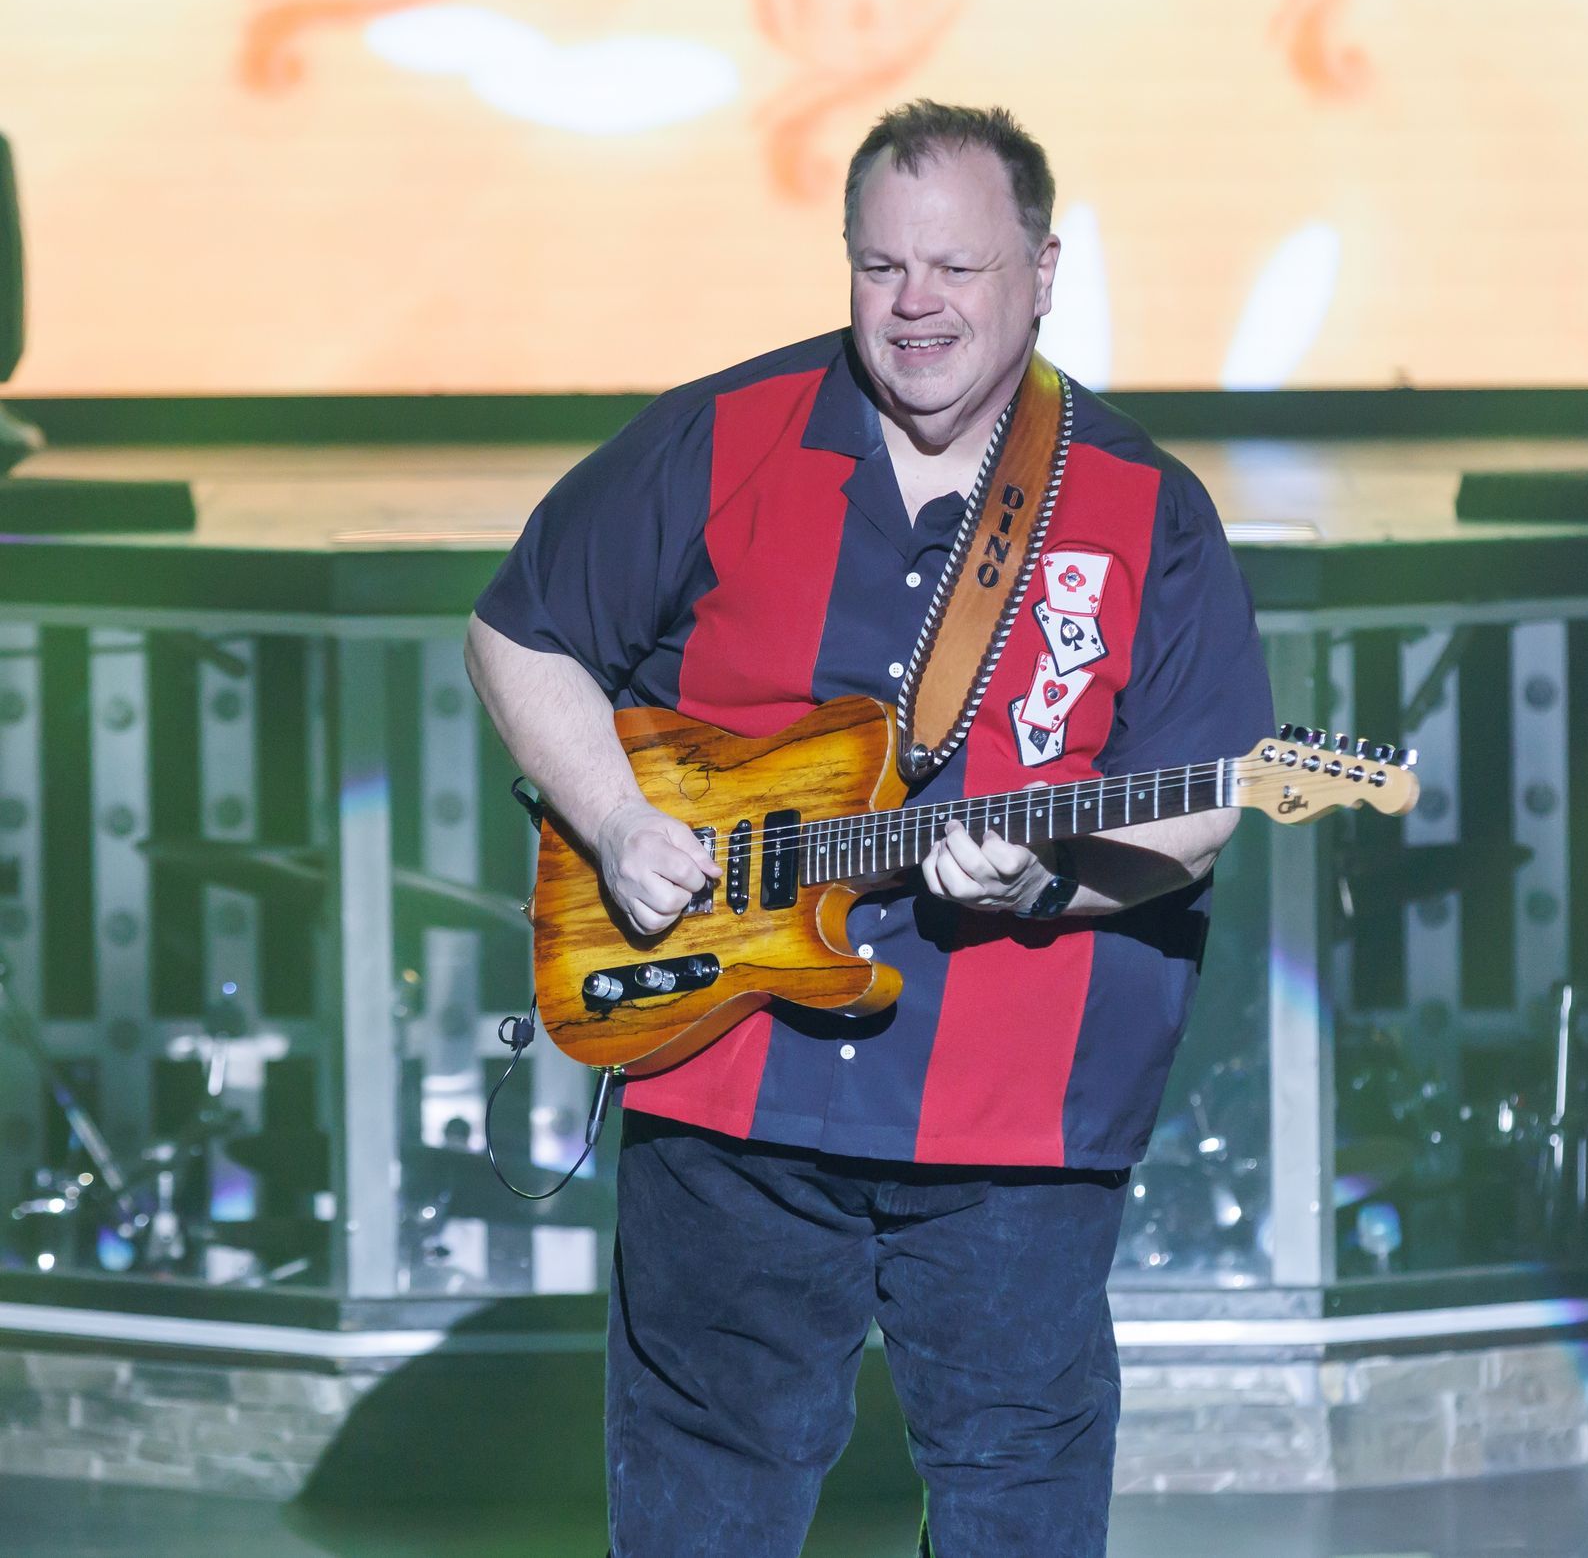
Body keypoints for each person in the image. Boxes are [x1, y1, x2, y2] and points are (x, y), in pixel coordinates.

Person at [466, 101, 1274, 1558]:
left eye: (958, 268)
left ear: (1042, 271)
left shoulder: (1146, 506)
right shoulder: (725, 434)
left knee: (1018, 1501)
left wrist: (1044, 887)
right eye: (882, 266)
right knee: (702, 1498)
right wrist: (617, 820)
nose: (915, 305)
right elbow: (519, 634)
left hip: (1016, 1120)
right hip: (727, 1081)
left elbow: (1202, 801)